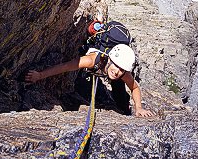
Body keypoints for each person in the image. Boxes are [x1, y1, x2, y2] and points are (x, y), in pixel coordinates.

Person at [25, 43, 153, 117]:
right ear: (109, 60)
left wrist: (139, 107)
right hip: (89, 71)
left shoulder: (122, 73)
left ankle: (124, 110)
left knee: (121, 98)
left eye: (121, 69)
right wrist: (40, 75)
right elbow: (65, 67)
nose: (117, 71)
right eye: (116, 66)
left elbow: (134, 87)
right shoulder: (91, 61)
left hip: (105, 73)